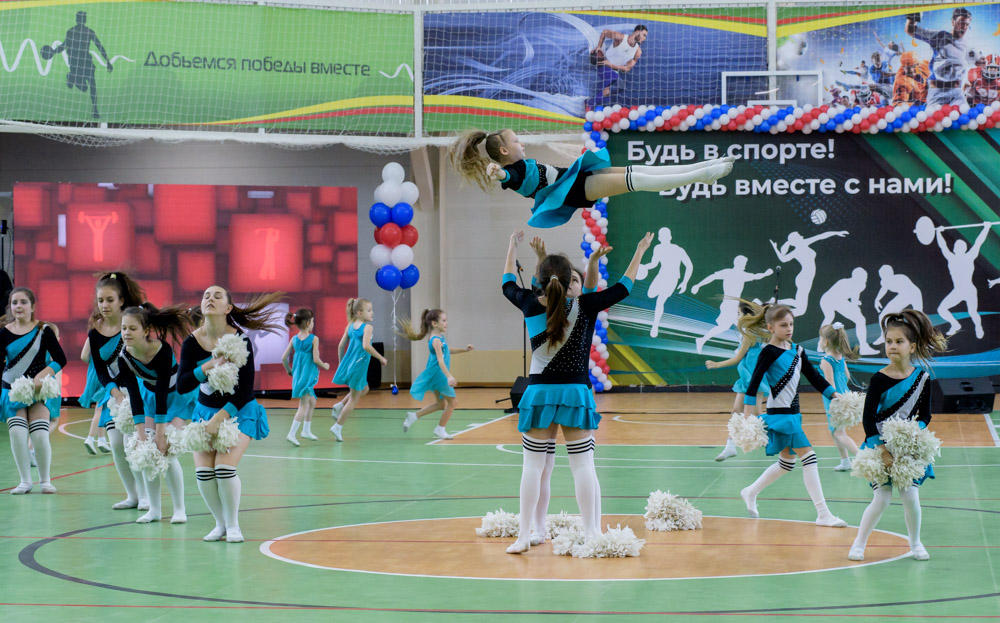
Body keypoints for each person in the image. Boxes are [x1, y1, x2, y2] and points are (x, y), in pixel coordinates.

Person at [500, 228, 653, 553]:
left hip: (539, 394)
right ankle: (592, 534)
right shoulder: (586, 305)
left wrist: (512, 247)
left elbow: (506, 283)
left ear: (540, 281)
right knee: (583, 466)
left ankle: (526, 536)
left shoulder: (528, 302)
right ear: (570, 279)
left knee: (533, 468)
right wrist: (640, 250)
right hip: (574, 394)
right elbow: (625, 286)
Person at [448, 129, 733, 229]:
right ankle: (702, 175)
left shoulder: (522, 164)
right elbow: (508, 176)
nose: (521, 143)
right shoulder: (515, 172)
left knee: (639, 171)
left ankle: (704, 168)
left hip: (576, 178)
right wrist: (498, 173)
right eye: (516, 141)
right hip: (575, 189)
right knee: (639, 179)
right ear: (504, 151)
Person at [178, 286, 283, 543]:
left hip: (238, 411)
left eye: (217, 296)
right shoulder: (191, 342)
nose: (210, 299)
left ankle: (234, 526)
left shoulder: (241, 340)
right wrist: (208, 365)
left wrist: (219, 419)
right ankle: (220, 524)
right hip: (204, 412)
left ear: (228, 308)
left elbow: (245, 390)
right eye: (206, 296)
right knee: (204, 473)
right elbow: (182, 385)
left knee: (224, 468)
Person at [848, 311, 947, 562]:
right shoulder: (879, 379)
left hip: (907, 450)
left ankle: (916, 543)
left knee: (910, 497)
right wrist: (882, 449)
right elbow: (868, 419)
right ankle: (859, 543)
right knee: (881, 498)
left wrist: (913, 434)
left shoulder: (922, 379)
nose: (892, 346)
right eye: (889, 341)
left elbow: (925, 416)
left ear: (912, 346)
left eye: (899, 341)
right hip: (878, 447)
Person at [738, 303, 847, 527]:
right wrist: (747, 417)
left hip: (794, 414)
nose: (789, 329)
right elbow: (753, 384)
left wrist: (834, 394)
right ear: (770, 327)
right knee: (810, 457)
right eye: (783, 325)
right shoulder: (768, 352)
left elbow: (815, 377)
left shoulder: (797, 350)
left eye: (791, 324)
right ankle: (823, 514)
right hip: (780, 416)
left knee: (786, 463)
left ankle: (750, 491)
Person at [113, 303, 194, 524]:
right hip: (149, 399)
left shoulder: (162, 350)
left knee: (166, 450)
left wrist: (160, 434)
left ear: (146, 330)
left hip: (176, 398)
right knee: (147, 450)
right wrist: (141, 435)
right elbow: (135, 397)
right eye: (123, 328)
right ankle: (155, 510)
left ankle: (179, 509)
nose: (126, 333)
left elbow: (162, 393)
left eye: (132, 328)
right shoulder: (124, 357)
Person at [88, 272, 149, 510]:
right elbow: (100, 369)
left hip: (139, 390)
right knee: (116, 445)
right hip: (114, 394)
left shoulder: (132, 323)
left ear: (121, 300)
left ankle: (145, 496)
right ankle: (132, 496)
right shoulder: (95, 332)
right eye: (100, 300)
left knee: (132, 444)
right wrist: (115, 392)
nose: (104, 305)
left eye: (110, 300)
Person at [1, 288, 67, 494]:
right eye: (14, 303)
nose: (18, 306)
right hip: (12, 390)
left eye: (23, 302)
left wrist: (42, 376)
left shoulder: (43, 330)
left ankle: (45, 480)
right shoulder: (4, 332)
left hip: (39, 391)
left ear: (32, 306)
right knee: (17, 433)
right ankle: (25, 481)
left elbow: (60, 359)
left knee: (39, 435)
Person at [705, 301, 770, 462]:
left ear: (747, 315)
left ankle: (776, 438)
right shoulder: (749, 332)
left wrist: (717, 364)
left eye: (739, 314)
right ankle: (730, 446)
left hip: (755, 378)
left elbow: (738, 358)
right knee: (736, 411)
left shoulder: (751, 334)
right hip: (745, 378)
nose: (737, 317)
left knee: (757, 413)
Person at [400, 310, 474, 440]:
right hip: (439, 375)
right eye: (444, 321)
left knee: (441, 404)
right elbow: (440, 361)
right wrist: (449, 376)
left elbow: (447, 351)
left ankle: (414, 416)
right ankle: (440, 429)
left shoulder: (439, 338)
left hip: (436, 374)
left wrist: (464, 350)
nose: (446, 323)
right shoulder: (435, 340)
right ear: (434, 323)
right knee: (453, 402)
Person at [329, 299, 387, 442]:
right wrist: (381, 358)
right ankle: (337, 427)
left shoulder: (350, 326)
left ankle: (339, 405)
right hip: (359, 367)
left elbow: (340, 346)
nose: (372, 313)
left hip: (352, 365)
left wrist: (342, 363)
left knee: (364, 389)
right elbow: (367, 346)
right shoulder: (368, 328)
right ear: (359, 313)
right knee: (354, 399)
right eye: (369, 310)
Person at [49, 11, 113, 118]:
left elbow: (99, 46)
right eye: (81, 18)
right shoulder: (71, 32)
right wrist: (53, 52)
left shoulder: (89, 32)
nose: (82, 20)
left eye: (83, 18)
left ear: (85, 20)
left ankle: (95, 109)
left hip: (86, 62)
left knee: (90, 86)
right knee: (86, 86)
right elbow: (64, 45)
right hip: (75, 63)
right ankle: (71, 76)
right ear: (77, 19)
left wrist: (108, 61)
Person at [281, 308, 330, 446]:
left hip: (298, 375)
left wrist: (289, 370)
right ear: (308, 323)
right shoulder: (314, 339)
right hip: (307, 377)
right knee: (303, 405)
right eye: (313, 321)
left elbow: (283, 358)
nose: (313, 323)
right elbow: (316, 359)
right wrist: (325, 366)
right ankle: (291, 434)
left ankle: (306, 430)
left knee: (312, 401)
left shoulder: (294, 339)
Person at [771, 229, 848, 316]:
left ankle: (775, 302)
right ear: (796, 240)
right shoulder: (796, 251)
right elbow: (783, 259)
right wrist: (775, 248)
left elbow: (821, 236)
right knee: (801, 309)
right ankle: (776, 310)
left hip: (806, 278)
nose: (802, 236)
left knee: (799, 305)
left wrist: (836, 233)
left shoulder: (804, 243)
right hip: (804, 277)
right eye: (799, 235)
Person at [906, 8, 973, 106]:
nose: (964, 27)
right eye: (961, 23)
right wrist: (914, 15)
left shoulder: (966, 45)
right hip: (938, 93)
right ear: (953, 22)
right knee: (932, 115)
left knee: (966, 114)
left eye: (967, 24)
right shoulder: (940, 36)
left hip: (957, 94)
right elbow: (910, 30)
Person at [934, 222, 991, 338]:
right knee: (941, 309)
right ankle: (955, 324)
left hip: (969, 289)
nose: (958, 248)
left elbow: (978, 242)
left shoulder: (969, 256)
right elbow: (942, 246)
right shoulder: (951, 258)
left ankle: (978, 327)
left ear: (964, 249)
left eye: (961, 247)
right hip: (958, 291)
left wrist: (987, 227)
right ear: (954, 249)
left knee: (972, 312)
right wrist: (938, 232)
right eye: (957, 247)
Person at [818, 322, 861, 472]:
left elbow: (829, 382)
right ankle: (845, 461)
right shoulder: (840, 357)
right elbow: (847, 376)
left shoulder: (826, 360)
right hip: (844, 395)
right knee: (835, 431)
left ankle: (861, 458)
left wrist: (835, 399)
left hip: (834, 399)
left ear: (825, 342)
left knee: (839, 432)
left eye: (820, 338)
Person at [588, 25, 647, 107]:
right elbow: (605, 32)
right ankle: (590, 103)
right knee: (620, 84)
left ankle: (590, 102)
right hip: (603, 66)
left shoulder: (638, 51)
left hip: (613, 71)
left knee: (608, 94)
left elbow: (627, 68)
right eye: (644, 35)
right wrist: (599, 47)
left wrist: (610, 65)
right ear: (637, 32)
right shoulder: (621, 38)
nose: (644, 38)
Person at [79, 338, 111, 455]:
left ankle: (102, 439)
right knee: (101, 408)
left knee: (102, 406)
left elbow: (84, 356)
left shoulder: (92, 336)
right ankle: (90, 438)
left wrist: (94, 363)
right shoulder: (114, 334)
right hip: (106, 372)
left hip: (94, 371)